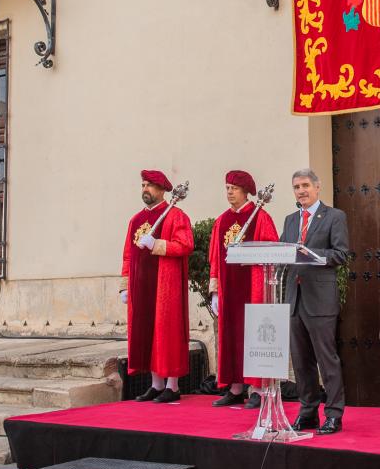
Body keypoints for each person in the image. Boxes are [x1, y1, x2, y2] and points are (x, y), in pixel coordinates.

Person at [280, 168, 351, 434]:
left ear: (317, 187)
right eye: (297, 187)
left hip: (320, 299)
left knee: (326, 360)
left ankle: (333, 414)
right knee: (301, 361)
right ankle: (307, 412)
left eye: (306, 185)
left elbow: (341, 254)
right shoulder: (289, 220)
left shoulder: (334, 216)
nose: (301, 191)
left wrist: (311, 254)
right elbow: (283, 253)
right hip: (294, 298)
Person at [120, 170, 193, 403]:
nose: (145, 189)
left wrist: (158, 244)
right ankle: (156, 384)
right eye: (143, 185)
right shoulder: (135, 220)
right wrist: (124, 285)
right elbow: (127, 256)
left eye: (150, 186)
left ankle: (173, 385)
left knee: (167, 332)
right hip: (141, 287)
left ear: (162, 190)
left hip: (165, 286)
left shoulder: (175, 215)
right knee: (148, 333)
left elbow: (185, 245)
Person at [207, 170, 277, 407]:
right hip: (229, 287)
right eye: (227, 188)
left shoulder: (259, 217)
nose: (229, 193)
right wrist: (214, 290)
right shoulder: (222, 221)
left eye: (233, 189)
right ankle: (235, 387)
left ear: (246, 191)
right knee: (232, 335)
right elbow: (215, 258)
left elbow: (272, 249)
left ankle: (256, 388)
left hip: (253, 285)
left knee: (252, 334)